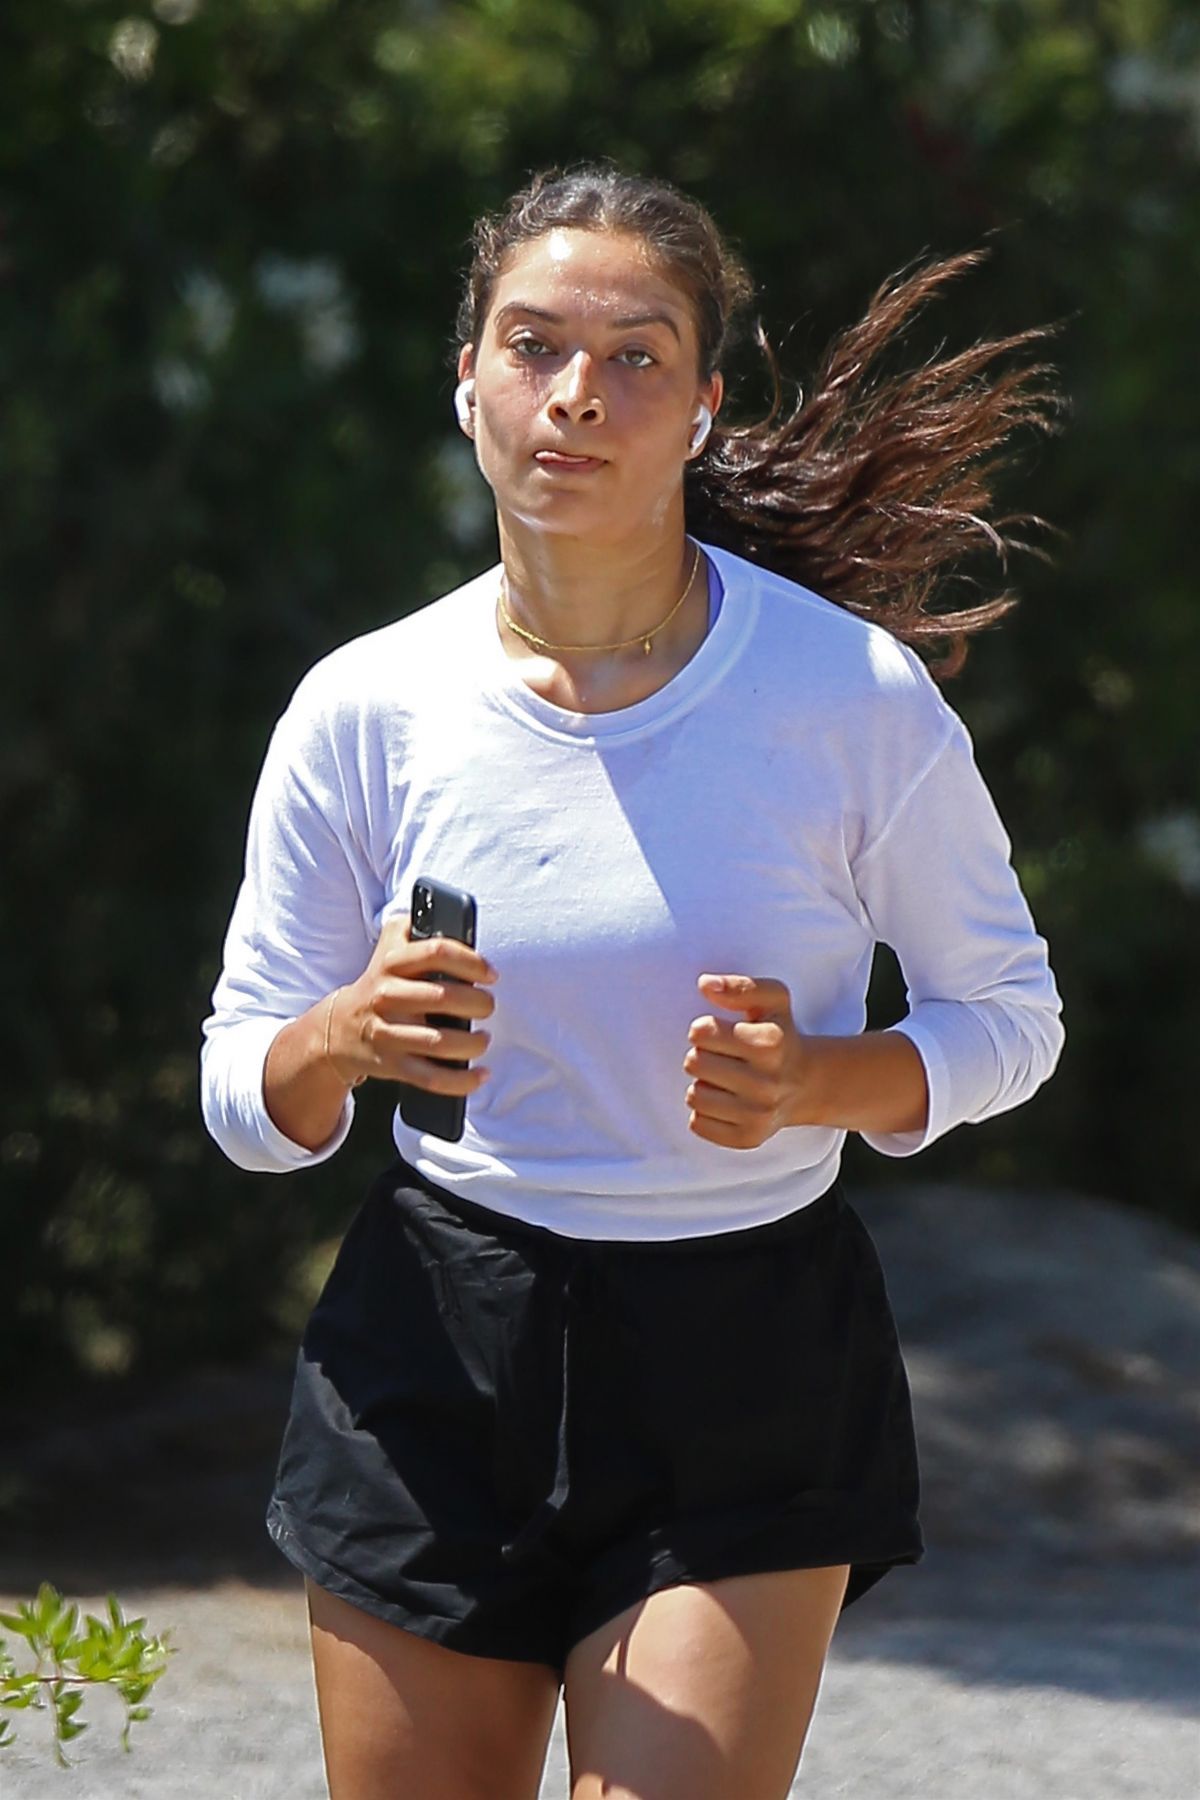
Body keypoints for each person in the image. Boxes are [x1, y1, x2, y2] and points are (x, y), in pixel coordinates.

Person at [200, 160, 1067, 1800]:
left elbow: (1010, 1016)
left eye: (636, 356)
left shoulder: (847, 696)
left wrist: (827, 1083)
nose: (576, 396)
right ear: (467, 381)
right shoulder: (365, 708)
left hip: (746, 1349)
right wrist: (339, 1035)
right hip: (436, 1341)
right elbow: (247, 1095)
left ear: (702, 407)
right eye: (532, 345)